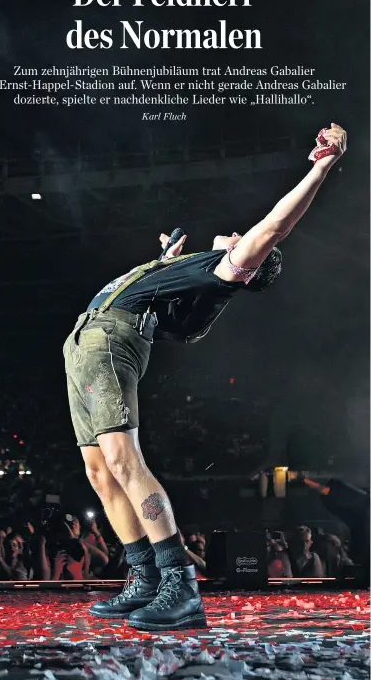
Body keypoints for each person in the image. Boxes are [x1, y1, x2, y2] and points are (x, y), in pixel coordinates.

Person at [63, 124, 346, 630]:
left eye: (244, 243)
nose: (237, 235)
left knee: (123, 459)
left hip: (108, 342)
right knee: (98, 472)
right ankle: (145, 579)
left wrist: (321, 167)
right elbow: (156, 296)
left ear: (252, 266)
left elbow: (273, 228)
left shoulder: (231, 267)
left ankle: (180, 584)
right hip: (85, 342)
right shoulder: (195, 268)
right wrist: (165, 262)